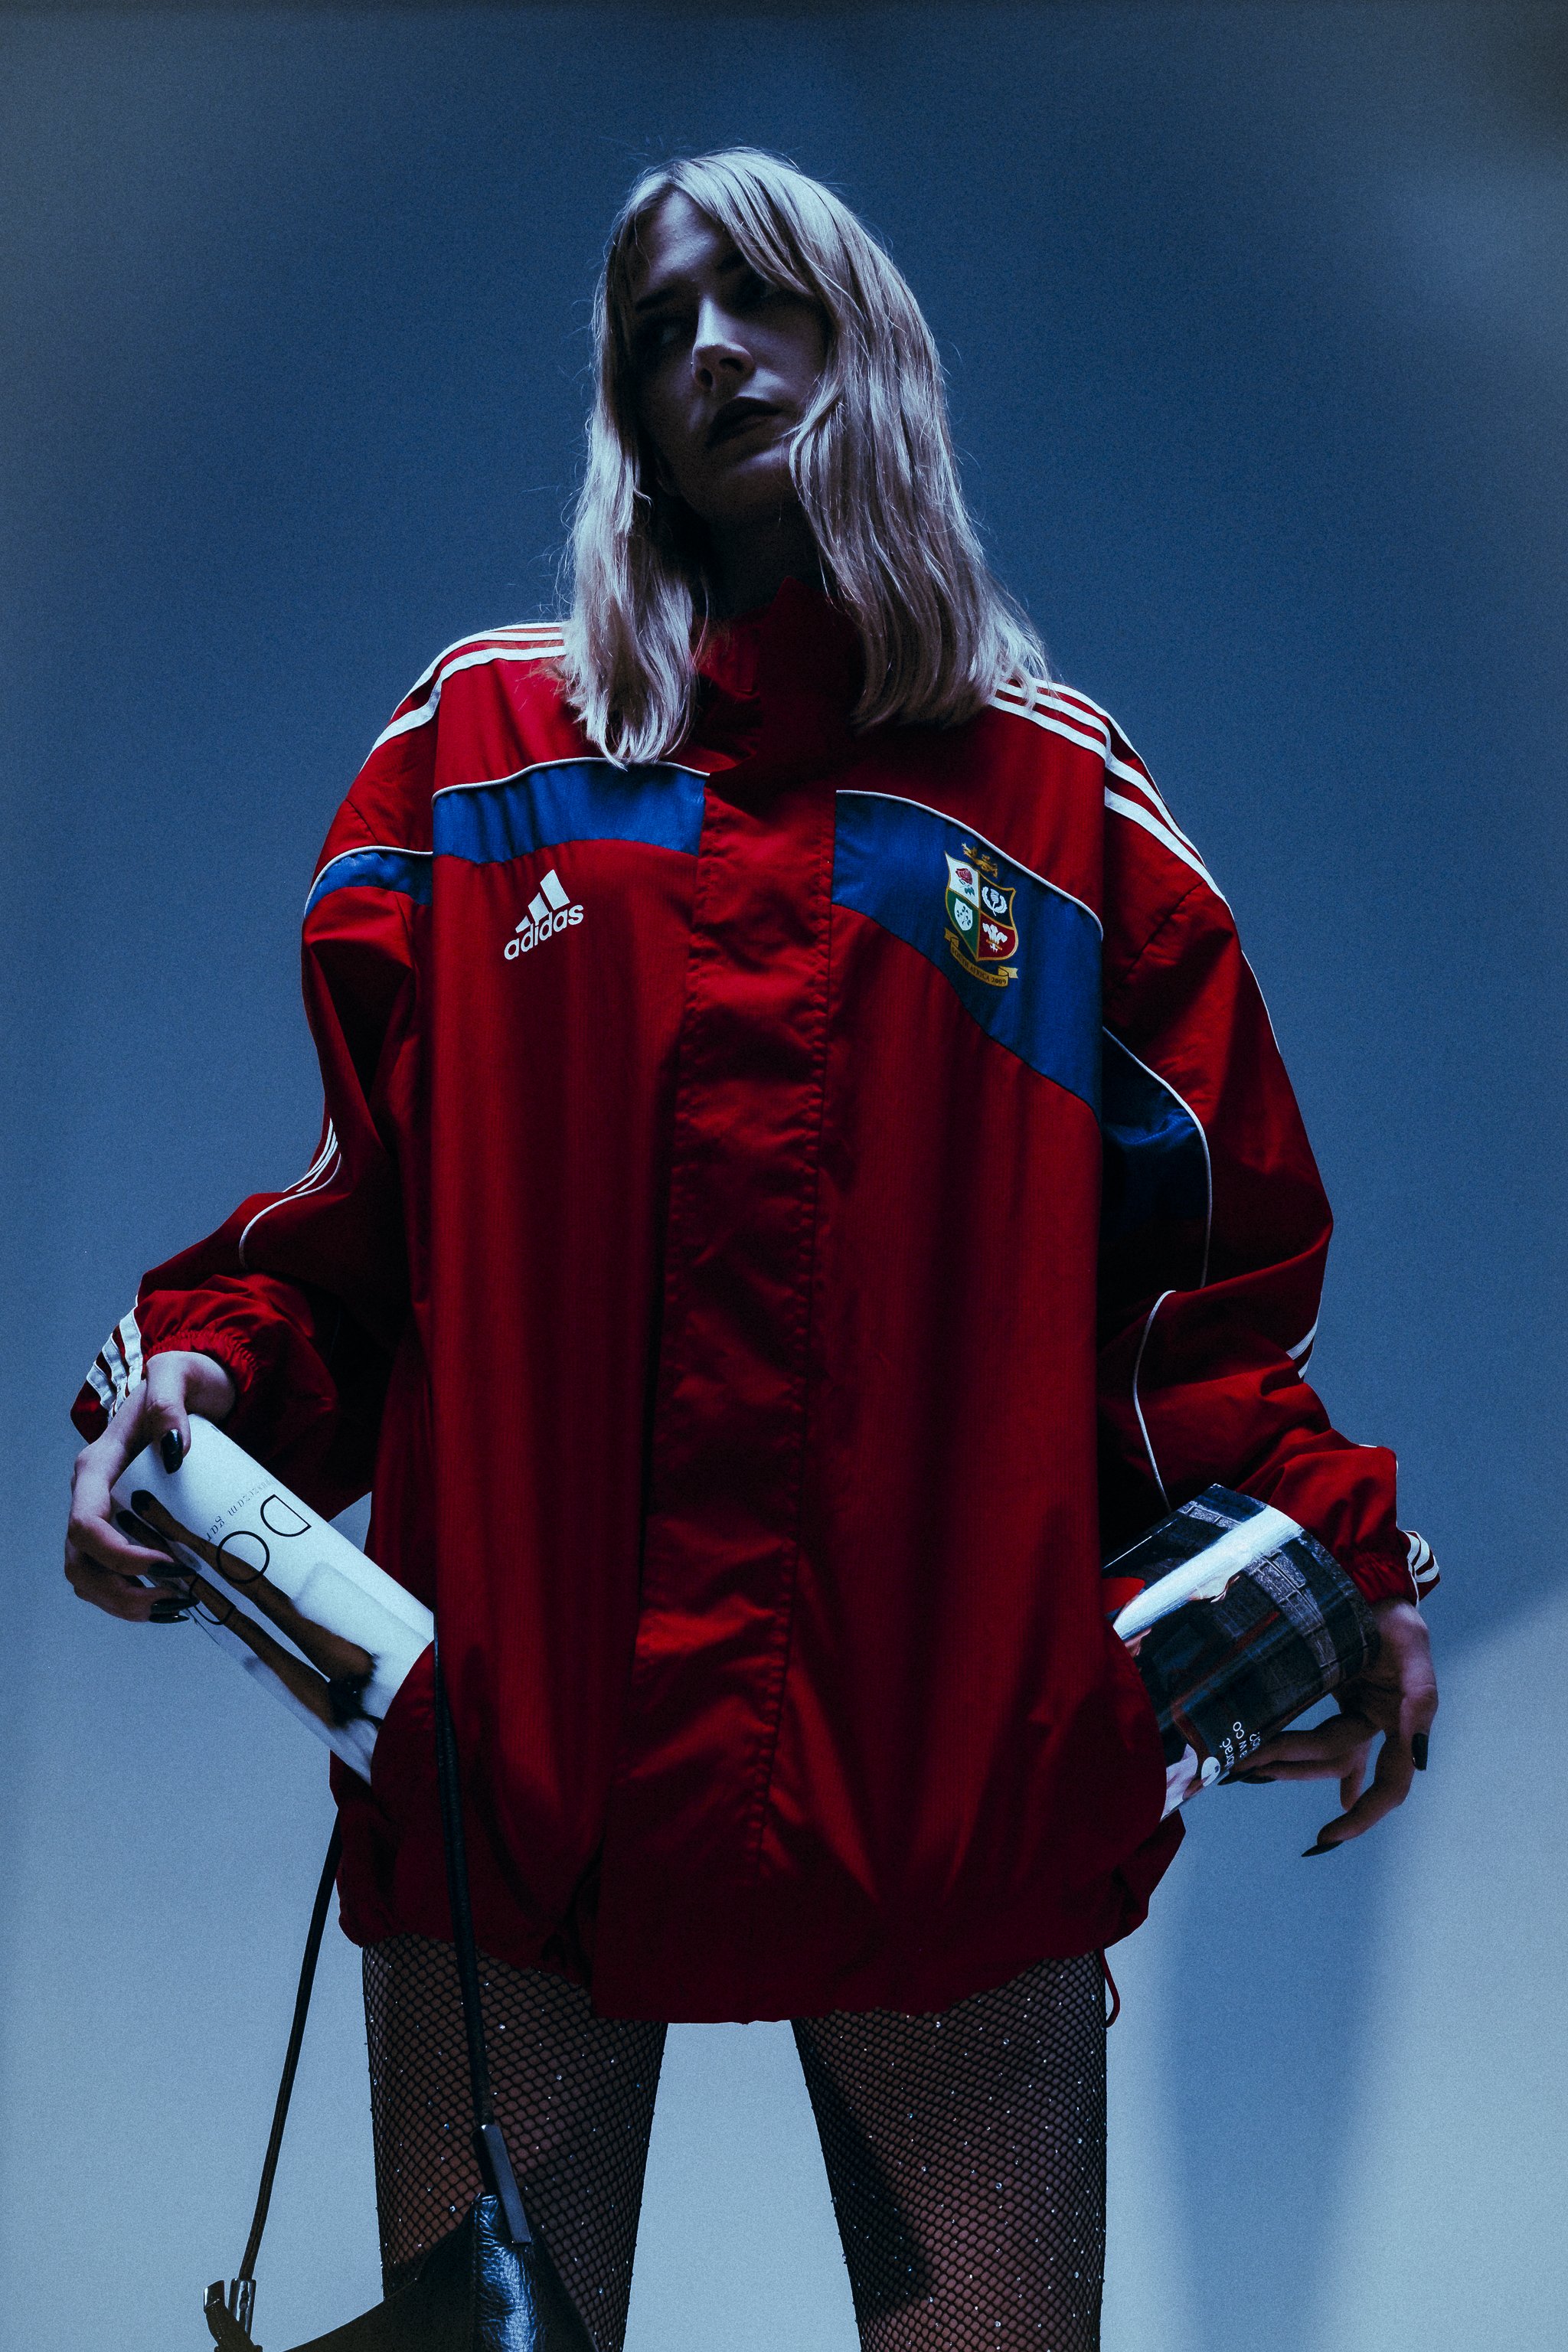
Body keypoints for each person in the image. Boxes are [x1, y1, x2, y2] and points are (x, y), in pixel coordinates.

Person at [64, 149, 1438, 2351]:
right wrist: (203, 1391)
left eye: (759, 297)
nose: (708, 349)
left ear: (866, 341)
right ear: (625, 412)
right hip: (518, 1790)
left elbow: (1204, 1315)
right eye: (653, 327)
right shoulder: (476, 754)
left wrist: (1337, 1560)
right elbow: (353, 1239)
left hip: (951, 1814)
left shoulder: (1063, 817)